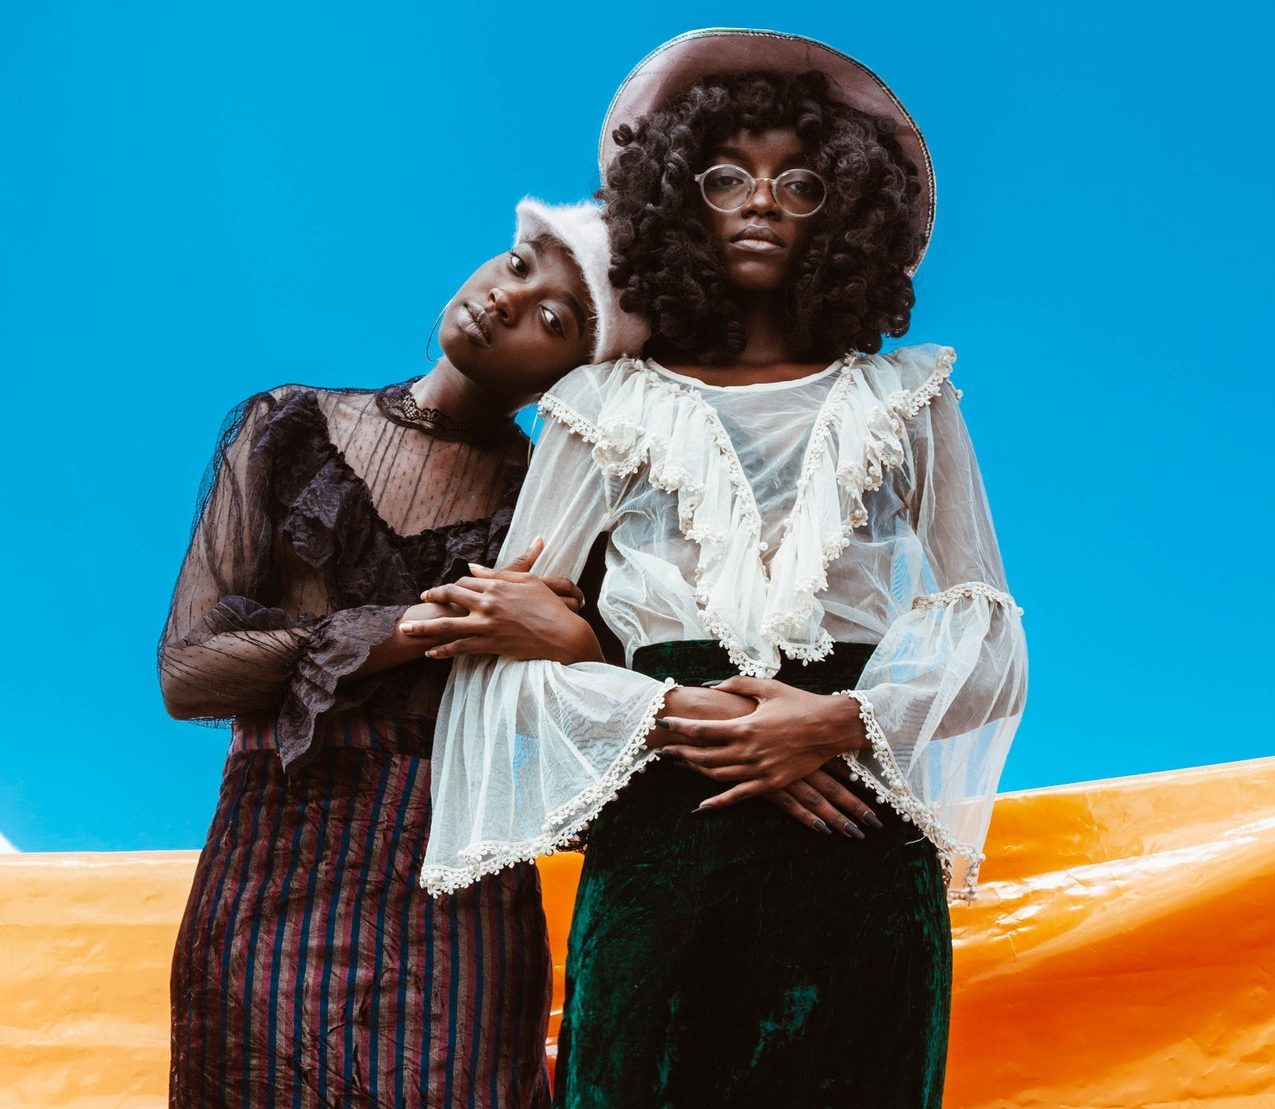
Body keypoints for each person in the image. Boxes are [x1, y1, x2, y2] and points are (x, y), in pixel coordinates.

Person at [419, 29, 1028, 1109]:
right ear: (672, 199)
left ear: (845, 214)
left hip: (856, 840)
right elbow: (501, 668)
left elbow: (983, 632)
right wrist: (667, 711)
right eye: (724, 177)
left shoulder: (910, 398)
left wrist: (838, 721)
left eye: (799, 184)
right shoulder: (599, 408)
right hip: (665, 846)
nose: (760, 203)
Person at [159, 197, 647, 1107]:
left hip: (457, 910)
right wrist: (413, 628)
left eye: (553, 319)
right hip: (264, 899)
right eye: (517, 264)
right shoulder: (287, 428)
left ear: (579, 377)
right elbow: (189, 674)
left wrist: (576, 642)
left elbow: (603, 763)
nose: (506, 298)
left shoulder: (559, 516)